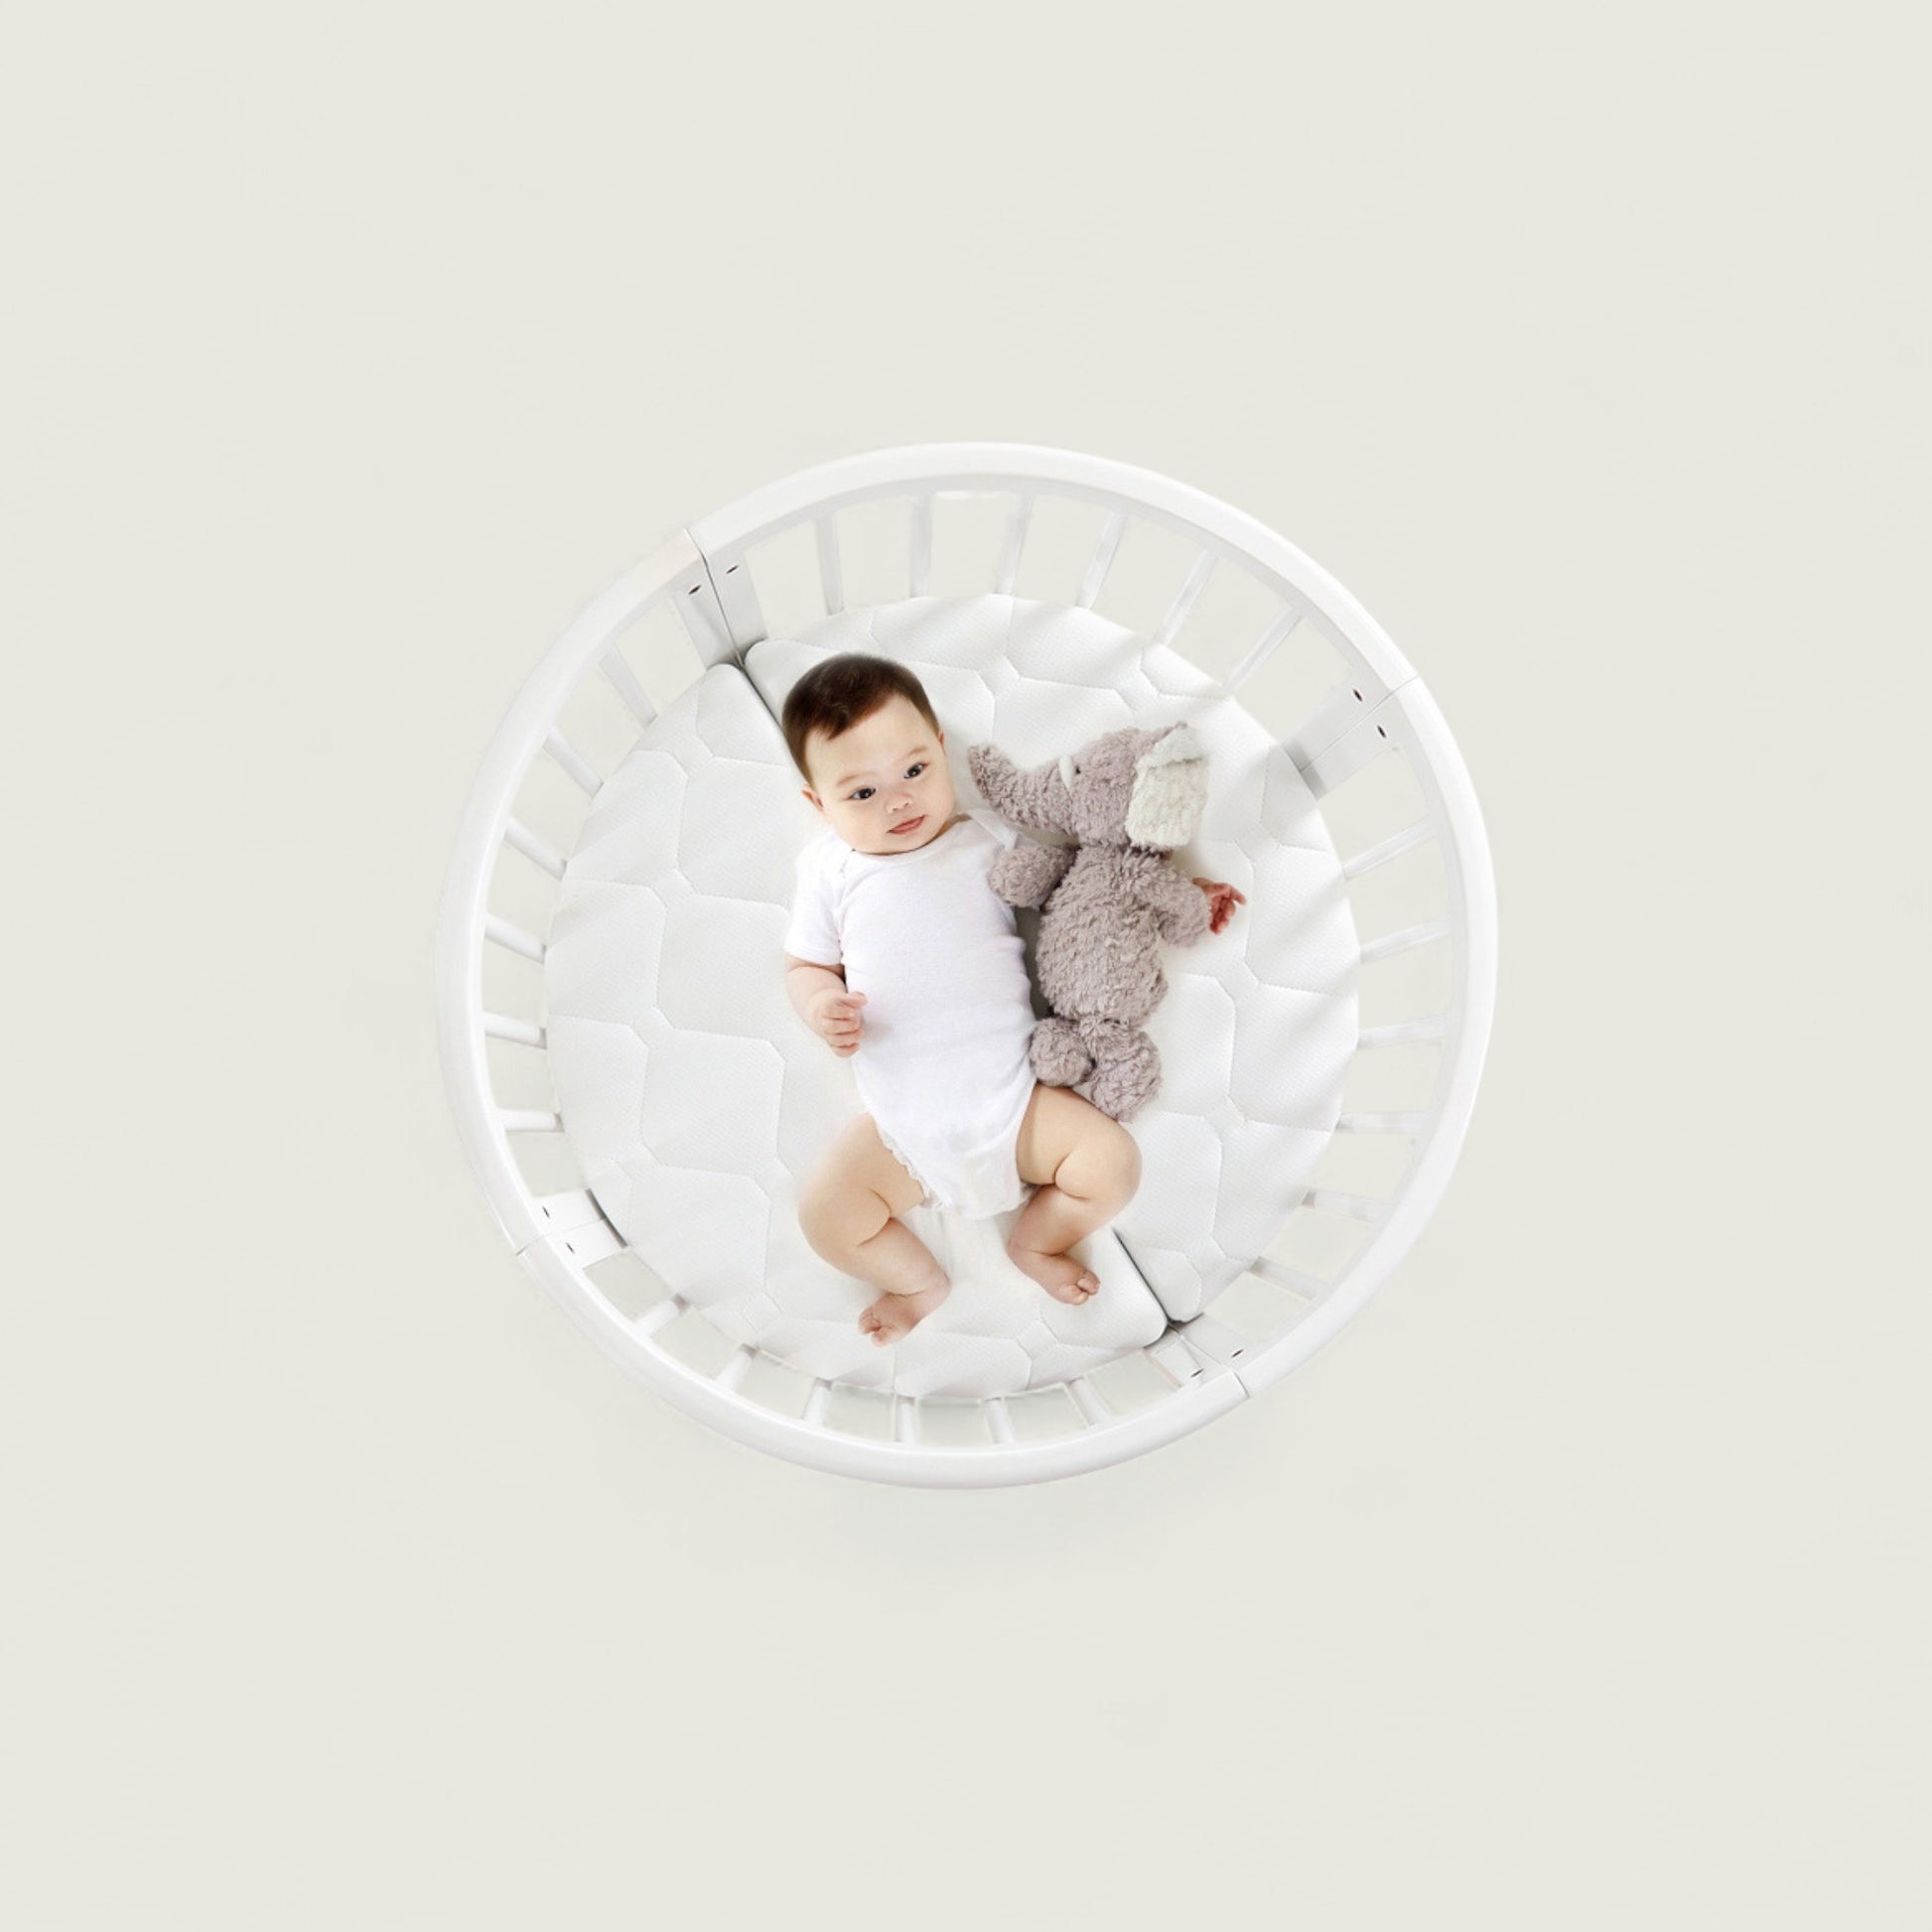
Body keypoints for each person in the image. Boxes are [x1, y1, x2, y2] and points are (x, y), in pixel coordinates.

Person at [779, 651, 1242, 1345]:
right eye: (862, 794)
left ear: (941, 750)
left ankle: (1036, 1242)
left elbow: (1085, 881)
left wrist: (1181, 892)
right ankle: (917, 1282)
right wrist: (820, 1006)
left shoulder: (985, 837)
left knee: (1112, 1166)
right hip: (903, 1131)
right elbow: (805, 964)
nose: (899, 801)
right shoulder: (829, 870)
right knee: (824, 1214)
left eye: (913, 771)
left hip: (1017, 1104)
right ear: (819, 806)